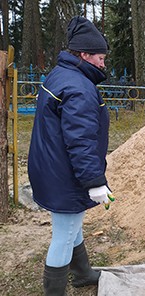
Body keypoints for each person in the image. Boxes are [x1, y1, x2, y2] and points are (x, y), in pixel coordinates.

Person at [28, 16, 115, 295]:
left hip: (51, 166)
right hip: (64, 173)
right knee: (64, 235)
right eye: (100, 58)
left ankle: (82, 273)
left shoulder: (60, 74)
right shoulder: (79, 88)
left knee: (71, 223)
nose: (103, 64)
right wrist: (94, 182)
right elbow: (81, 141)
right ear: (85, 54)